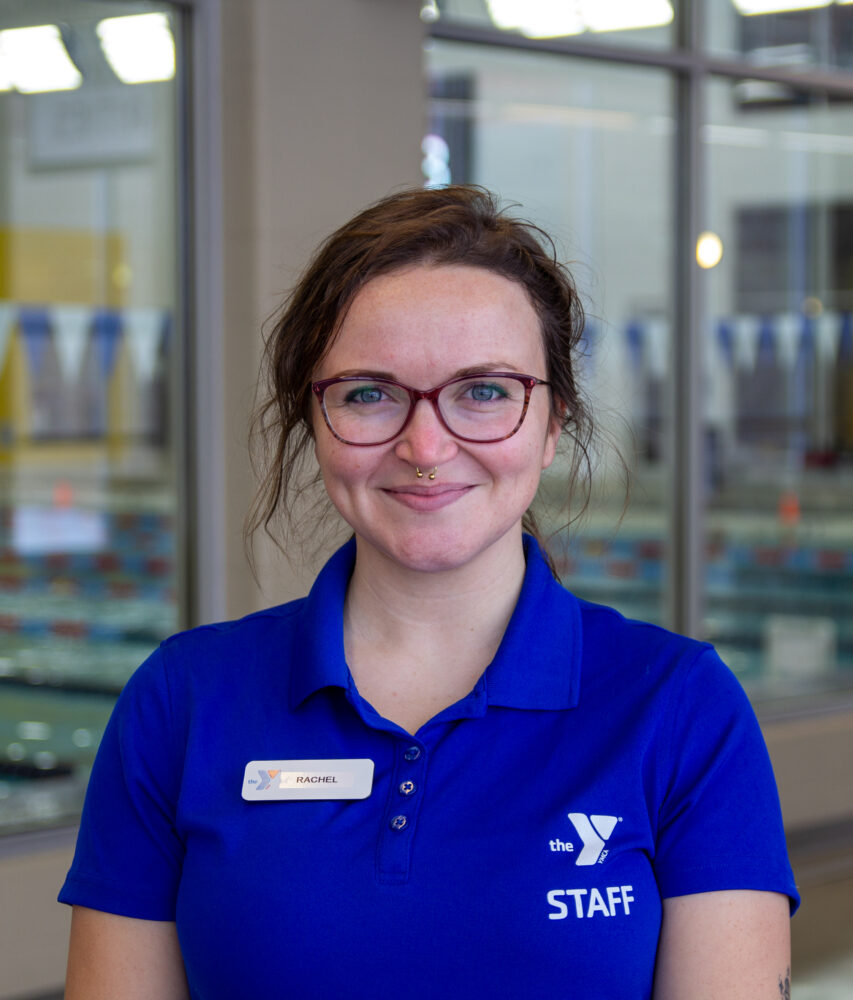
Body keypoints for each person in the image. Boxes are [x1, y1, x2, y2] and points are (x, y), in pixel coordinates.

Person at [60, 185, 798, 999]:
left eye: (484, 391)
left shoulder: (680, 708)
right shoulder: (184, 700)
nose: (425, 445)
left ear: (553, 423)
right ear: (315, 421)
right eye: (369, 393)